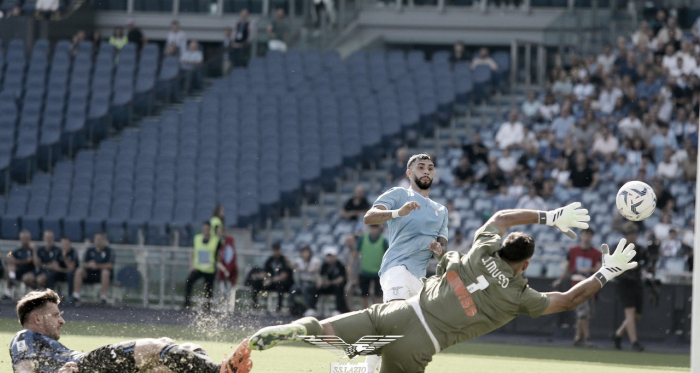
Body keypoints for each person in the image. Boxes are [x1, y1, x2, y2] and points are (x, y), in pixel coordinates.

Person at [250, 204, 638, 373]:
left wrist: (549, 216)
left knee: (331, 334)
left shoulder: (481, 249)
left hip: (403, 311)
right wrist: (607, 272)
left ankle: (300, 329)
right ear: (525, 265)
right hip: (422, 345)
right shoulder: (521, 296)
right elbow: (570, 299)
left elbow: (502, 216)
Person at [10, 289, 252, 373]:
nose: (62, 321)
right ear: (37, 319)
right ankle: (218, 371)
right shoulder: (24, 337)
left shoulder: (45, 343)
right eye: (55, 315)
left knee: (182, 352)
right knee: (155, 348)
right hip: (86, 367)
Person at [361, 153, 447, 372]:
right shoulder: (400, 194)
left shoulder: (441, 210)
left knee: (406, 335)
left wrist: (438, 249)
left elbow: (441, 248)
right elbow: (369, 217)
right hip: (396, 267)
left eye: (430, 167)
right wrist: (398, 212)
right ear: (409, 173)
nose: (426, 171)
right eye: (421, 167)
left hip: (420, 279)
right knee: (394, 320)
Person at [552, 228, 601, 347]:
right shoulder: (573, 250)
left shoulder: (597, 253)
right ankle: (587, 337)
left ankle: (577, 337)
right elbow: (567, 268)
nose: (587, 237)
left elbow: (599, 268)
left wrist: (587, 270)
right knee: (583, 313)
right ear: (581, 236)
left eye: (589, 235)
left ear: (592, 237)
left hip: (590, 286)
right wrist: (560, 280)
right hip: (576, 286)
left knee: (586, 314)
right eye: (585, 234)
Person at [612, 222, 649, 352]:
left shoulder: (640, 249)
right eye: (630, 234)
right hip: (624, 283)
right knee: (630, 312)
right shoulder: (618, 248)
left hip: (636, 283)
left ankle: (618, 334)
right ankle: (634, 342)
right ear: (624, 236)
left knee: (636, 315)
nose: (633, 236)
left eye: (634, 233)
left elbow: (646, 265)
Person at [347, 225, 388, 310]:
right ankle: (364, 313)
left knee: (377, 296)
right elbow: (355, 252)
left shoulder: (383, 240)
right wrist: (350, 264)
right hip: (365, 271)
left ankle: (377, 314)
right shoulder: (363, 238)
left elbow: (387, 255)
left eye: (375, 227)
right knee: (364, 295)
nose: (374, 229)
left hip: (378, 273)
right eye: (372, 227)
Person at [183, 222, 221, 311]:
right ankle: (186, 304)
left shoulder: (216, 240)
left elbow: (219, 254)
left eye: (208, 229)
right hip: (198, 268)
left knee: (209, 289)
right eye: (204, 228)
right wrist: (191, 265)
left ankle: (207, 307)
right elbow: (192, 251)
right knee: (189, 282)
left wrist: (218, 267)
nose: (206, 230)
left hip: (210, 269)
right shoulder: (197, 238)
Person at [70, 233, 115, 306]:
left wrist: (97, 266)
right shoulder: (90, 250)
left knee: (105, 272)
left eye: (100, 239)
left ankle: (103, 297)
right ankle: (76, 296)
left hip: (102, 275)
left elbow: (110, 265)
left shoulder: (109, 251)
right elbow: (84, 263)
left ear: (104, 240)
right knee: (79, 270)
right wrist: (89, 264)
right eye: (97, 239)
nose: (98, 241)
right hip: (90, 274)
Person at [248, 243, 293, 311]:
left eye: (277, 250)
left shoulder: (284, 260)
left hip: (284, 284)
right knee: (256, 283)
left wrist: (270, 280)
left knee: (280, 285)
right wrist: (257, 276)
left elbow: (283, 276)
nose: (275, 252)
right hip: (272, 283)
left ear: (279, 250)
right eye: (274, 250)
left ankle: (278, 309)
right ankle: (255, 306)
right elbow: (265, 273)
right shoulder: (270, 260)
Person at [312, 246, 350, 315]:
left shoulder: (340, 265)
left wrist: (330, 282)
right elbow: (320, 275)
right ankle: (312, 308)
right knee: (316, 288)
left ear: (335, 256)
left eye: (331, 256)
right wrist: (320, 282)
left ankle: (338, 309)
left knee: (339, 288)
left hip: (337, 285)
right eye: (328, 256)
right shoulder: (325, 265)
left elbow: (341, 279)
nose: (330, 258)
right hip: (328, 285)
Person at [6, 230, 37, 297]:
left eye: (26, 238)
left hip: (29, 270)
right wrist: (11, 259)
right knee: (10, 266)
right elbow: (8, 256)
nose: (25, 240)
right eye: (23, 238)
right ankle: (8, 291)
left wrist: (18, 261)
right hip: (18, 270)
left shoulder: (32, 250)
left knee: (26, 278)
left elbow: (32, 261)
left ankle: (37, 291)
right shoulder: (17, 251)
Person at [292, 246, 321, 316]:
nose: (305, 254)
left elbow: (316, 269)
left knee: (305, 289)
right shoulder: (299, 260)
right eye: (303, 253)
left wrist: (306, 269)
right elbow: (291, 265)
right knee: (292, 289)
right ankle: (292, 307)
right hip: (302, 282)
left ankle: (309, 308)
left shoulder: (314, 260)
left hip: (311, 282)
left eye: (306, 252)